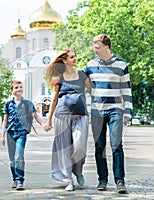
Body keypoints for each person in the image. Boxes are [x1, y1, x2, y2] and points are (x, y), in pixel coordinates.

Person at [84, 34, 133, 194]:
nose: (94, 50)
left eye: (97, 47)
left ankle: (120, 181)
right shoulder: (90, 65)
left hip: (115, 109)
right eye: (94, 47)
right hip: (97, 110)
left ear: (107, 47)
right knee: (99, 146)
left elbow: (126, 88)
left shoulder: (121, 64)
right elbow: (87, 87)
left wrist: (128, 111)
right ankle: (102, 179)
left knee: (116, 145)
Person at [44, 49, 91, 191]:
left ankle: (78, 170)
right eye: (72, 57)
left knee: (79, 147)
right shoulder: (59, 77)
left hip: (81, 115)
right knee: (65, 149)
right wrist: (49, 120)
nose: (75, 58)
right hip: (62, 117)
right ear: (64, 61)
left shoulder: (82, 75)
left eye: (75, 56)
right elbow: (54, 100)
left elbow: (94, 90)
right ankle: (69, 179)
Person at [1, 80, 46, 190]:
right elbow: (5, 120)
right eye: (16, 87)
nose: (19, 89)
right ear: (12, 91)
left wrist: (43, 124)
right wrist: (2, 135)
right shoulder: (8, 104)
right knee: (12, 159)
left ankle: (20, 180)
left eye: (20, 87)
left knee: (19, 156)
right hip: (10, 133)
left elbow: (36, 116)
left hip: (21, 133)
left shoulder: (28, 103)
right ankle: (15, 179)